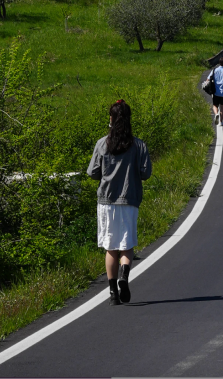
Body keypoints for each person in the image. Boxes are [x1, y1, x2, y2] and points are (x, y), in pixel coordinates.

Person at [87, 99, 152, 305]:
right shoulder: (138, 145)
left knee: (110, 247)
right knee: (126, 245)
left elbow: (93, 173)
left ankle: (113, 292)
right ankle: (124, 275)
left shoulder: (102, 144)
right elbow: (146, 173)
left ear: (111, 119)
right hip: (129, 199)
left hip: (106, 201)